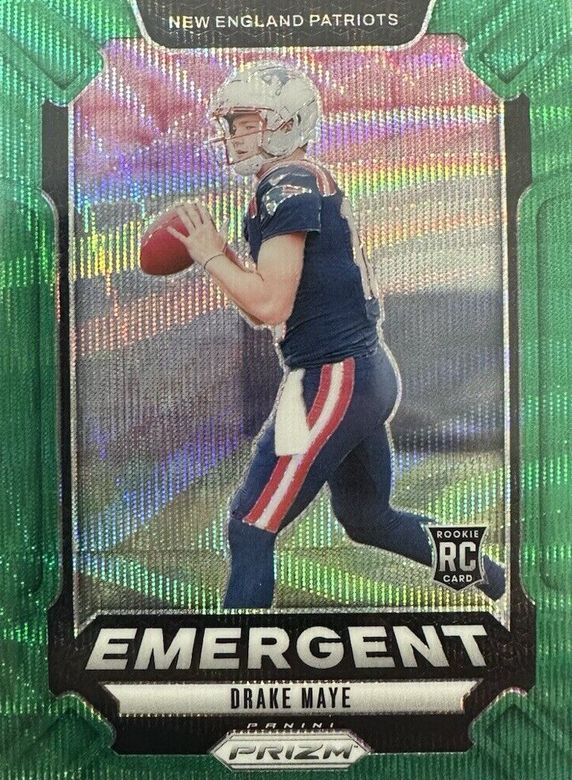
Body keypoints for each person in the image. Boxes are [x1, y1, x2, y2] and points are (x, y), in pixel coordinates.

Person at [167, 61, 505, 608]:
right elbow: (267, 307)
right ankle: (498, 580)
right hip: (361, 371)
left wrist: (211, 257)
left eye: (248, 122)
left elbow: (269, 303)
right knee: (369, 518)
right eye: (232, 123)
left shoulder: (286, 183)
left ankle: (237, 650)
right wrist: (224, 255)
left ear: (287, 122)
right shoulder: (299, 177)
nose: (235, 135)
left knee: (250, 526)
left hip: (334, 378)